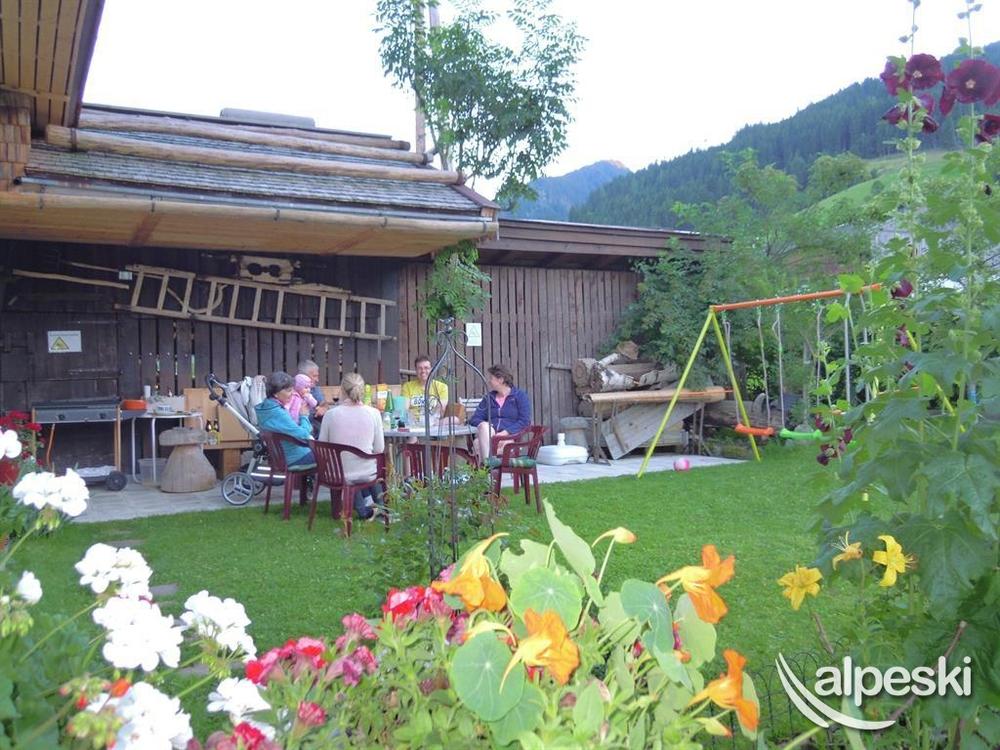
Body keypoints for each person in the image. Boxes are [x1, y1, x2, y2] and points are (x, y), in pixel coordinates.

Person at [318, 372, 385, 520]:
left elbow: (322, 448)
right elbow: (379, 449)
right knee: (367, 466)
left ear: (342, 389)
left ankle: (365, 510)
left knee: (348, 467)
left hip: (337, 473)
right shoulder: (374, 413)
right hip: (366, 472)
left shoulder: (330, 415)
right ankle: (380, 508)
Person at [469, 364, 532, 463]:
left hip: (510, 438)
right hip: (490, 436)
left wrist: (505, 433)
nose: (489, 381)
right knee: (481, 434)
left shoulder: (520, 396)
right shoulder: (489, 398)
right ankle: (488, 465)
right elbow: (475, 418)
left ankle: (485, 467)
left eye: (491, 378)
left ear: (501, 380)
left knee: (479, 446)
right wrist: (488, 427)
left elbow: (524, 421)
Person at [255, 371, 315, 467]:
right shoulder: (277, 413)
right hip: (296, 458)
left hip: (281, 456)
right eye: (289, 390)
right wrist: (304, 416)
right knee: (331, 456)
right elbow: (303, 435)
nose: (292, 394)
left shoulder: (266, 408)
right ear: (275, 393)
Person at [400, 355, 448, 425]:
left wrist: (430, 422)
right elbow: (405, 409)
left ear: (431, 369)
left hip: (433, 423)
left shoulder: (442, 387)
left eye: (426, 368)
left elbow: (440, 410)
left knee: (455, 419)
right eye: (420, 368)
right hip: (413, 423)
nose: (423, 371)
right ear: (416, 370)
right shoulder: (407, 386)